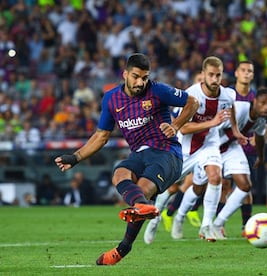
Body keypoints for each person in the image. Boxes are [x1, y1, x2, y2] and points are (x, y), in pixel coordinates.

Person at [54, 53, 198, 265]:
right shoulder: (111, 99)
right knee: (119, 173)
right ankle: (141, 208)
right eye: (136, 76)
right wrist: (75, 157)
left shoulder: (158, 90)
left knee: (144, 186)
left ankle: (124, 245)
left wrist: (175, 126)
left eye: (144, 77)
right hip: (139, 155)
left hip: (167, 154)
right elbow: (101, 136)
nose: (141, 82)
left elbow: (192, 102)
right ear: (125, 75)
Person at [168, 56, 247, 242]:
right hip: (186, 147)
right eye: (210, 75)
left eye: (218, 75)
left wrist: (235, 130)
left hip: (210, 144)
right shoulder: (191, 95)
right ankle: (177, 218)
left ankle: (206, 226)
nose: (214, 79)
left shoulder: (227, 94)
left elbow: (231, 107)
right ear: (203, 75)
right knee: (184, 186)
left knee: (215, 177)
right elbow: (184, 128)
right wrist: (213, 122)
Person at [211, 87, 267, 239]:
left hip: (231, 148)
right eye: (262, 103)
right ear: (254, 102)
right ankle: (174, 216)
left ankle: (217, 224)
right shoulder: (238, 108)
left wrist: (260, 156)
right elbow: (214, 126)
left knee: (245, 186)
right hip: (210, 146)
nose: (266, 107)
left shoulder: (260, 120)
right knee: (192, 187)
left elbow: (259, 138)